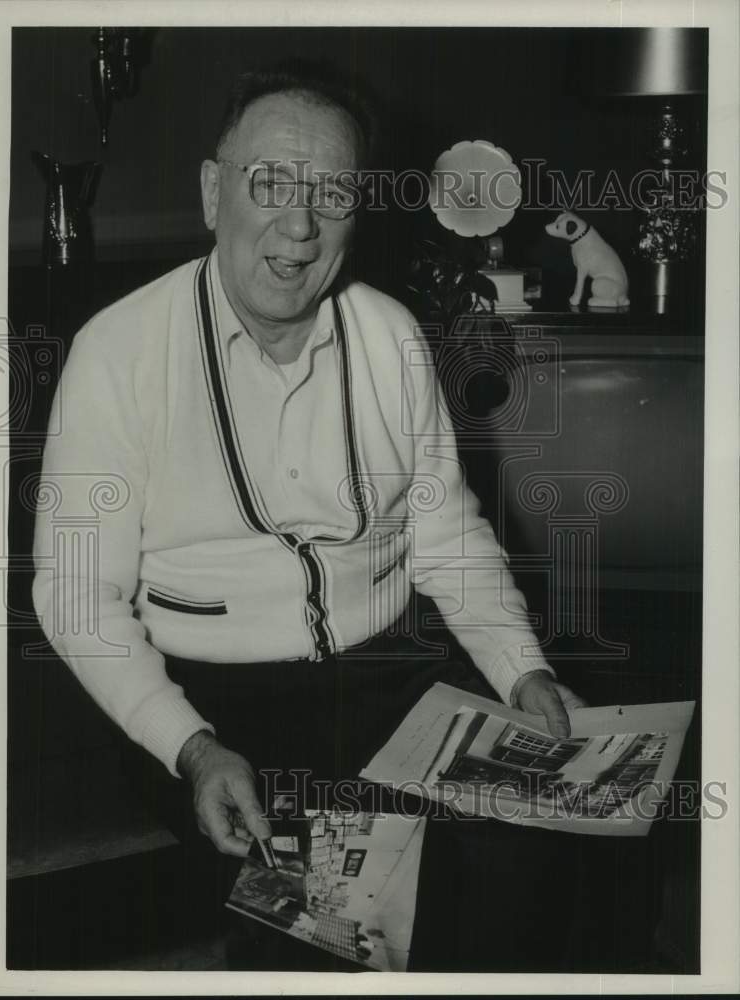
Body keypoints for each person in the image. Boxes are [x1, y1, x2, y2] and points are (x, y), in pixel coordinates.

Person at [32, 60, 586, 970]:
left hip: (387, 679)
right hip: (210, 704)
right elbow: (77, 598)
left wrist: (521, 670)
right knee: (323, 920)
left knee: (524, 847)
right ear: (214, 193)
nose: (300, 224)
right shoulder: (116, 353)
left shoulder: (393, 335)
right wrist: (192, 750)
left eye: (332, 191)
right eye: (271, 183)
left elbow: (446, 536)